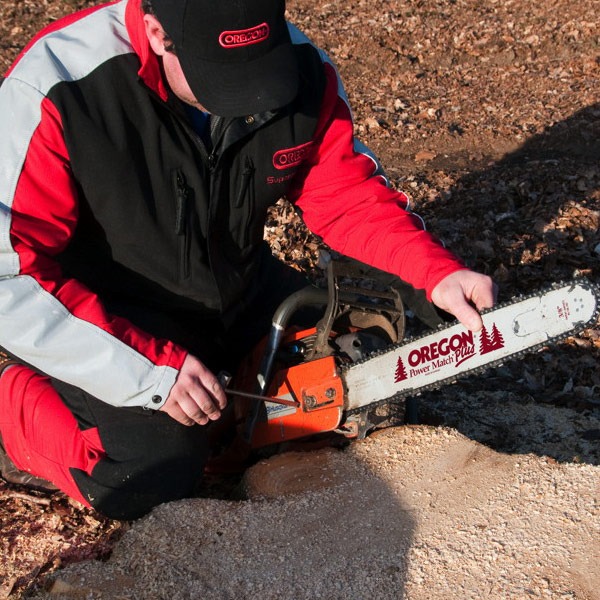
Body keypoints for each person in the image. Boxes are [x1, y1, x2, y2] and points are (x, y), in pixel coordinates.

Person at [0, 0, 496, 519]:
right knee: (148, 477)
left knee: (348, 372)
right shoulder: (59, 85)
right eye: (223, 79)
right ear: (156, 32)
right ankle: (14, 408)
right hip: (105, 317)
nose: (245, 99)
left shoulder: (297, 65)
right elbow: (10, 274)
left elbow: (345, 194)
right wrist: (144, 371)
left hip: (239, 284)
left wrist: (433, 272)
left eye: (257, 74)